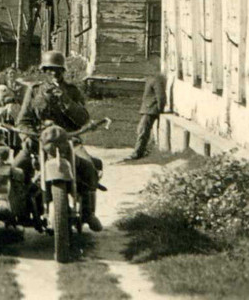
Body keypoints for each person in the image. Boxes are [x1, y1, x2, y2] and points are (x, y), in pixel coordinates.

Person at [13, 50, 103, 232]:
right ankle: (19, 210)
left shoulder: (72, 91)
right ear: (43, 70)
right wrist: (27, 136)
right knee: (16, 168)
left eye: (57, 70)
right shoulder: (35, 90)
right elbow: (23, 120)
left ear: (63, 71)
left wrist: (65, 99)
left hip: (69, 140)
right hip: (39, 139)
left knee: (88, 166)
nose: (53, 74)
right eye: (49, 70)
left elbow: (84, 119)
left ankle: (88, 213)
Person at [123, 72, 167, 161]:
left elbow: (161, 97)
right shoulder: (150, 79)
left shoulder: (156, 80)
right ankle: (142, 150)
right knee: (141, 130)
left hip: (151, 110)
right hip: (148, 109)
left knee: (143, 131)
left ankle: (137, 153)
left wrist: (160, 110)